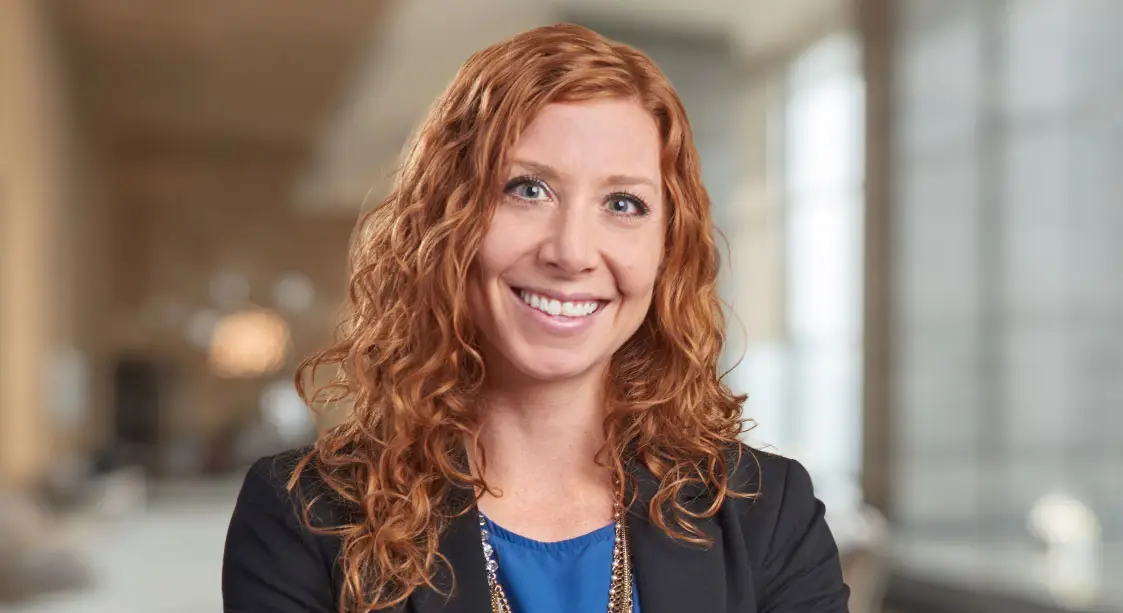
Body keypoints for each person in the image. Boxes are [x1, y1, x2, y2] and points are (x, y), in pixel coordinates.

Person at [222, 23, 850, 613]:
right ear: (447, 221)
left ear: (668, 248)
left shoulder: (767, 512)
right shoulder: (307, 515)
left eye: (624, 203)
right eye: (527, 189)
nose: (571, 252)